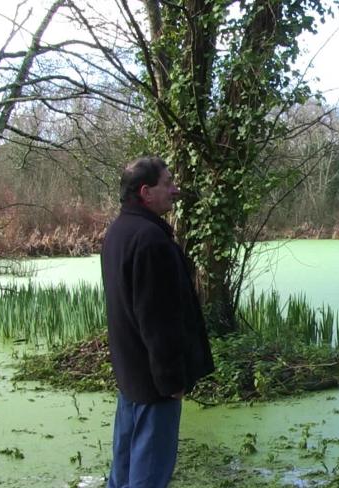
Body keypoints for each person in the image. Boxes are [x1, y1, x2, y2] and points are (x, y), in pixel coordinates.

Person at [101, 156, 214, 488]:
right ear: (146, 192)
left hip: (131, 375)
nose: (175, 190)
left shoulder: (118, 232)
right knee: (148, 476)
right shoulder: (150, 241)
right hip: (154, 383)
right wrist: (170, 380)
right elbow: (157, 318)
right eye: (168, 183)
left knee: (122, 472)